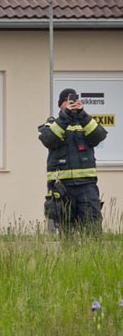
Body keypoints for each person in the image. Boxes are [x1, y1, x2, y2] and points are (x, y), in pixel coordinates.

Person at [38, 88, 107, 234]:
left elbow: (99, 136)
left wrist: (82, 114)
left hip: (86, 186)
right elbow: (48, 139)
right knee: (66, 232)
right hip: (62, 187)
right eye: (67, 101)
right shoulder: (53, 124)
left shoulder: (86, 122)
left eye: (73, 100)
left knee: (92, 228)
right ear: (60, 104)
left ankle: (91, 256)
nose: (71, 103)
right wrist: (66, 116)